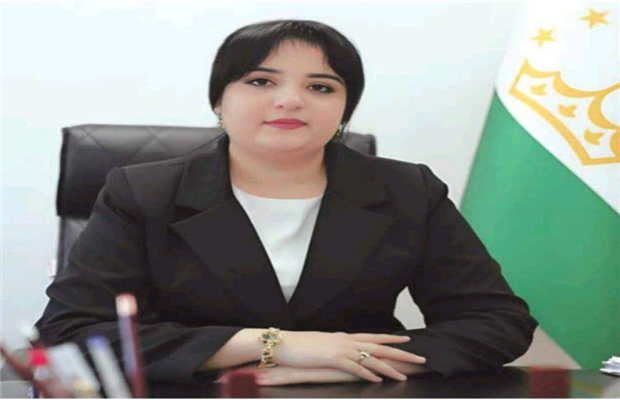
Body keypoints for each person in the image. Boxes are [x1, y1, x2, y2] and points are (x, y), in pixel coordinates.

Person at [35, 19, 538, 387]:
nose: (291, 100)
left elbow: (497, 322)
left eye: (320, 86)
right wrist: (276, 347)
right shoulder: (143, 192)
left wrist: (349, 362)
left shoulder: (408, 190)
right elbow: (70, 330)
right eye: (261, 81)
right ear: (219, 100)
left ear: (344, 109)